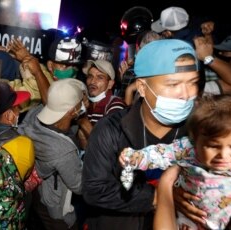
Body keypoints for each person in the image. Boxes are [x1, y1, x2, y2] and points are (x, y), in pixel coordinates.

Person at [82, 39, 200, 230]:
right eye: (173, 84)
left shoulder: (200, 132)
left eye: (192, 83)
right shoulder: (110, 130)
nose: (185, 94)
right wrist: (159, 195)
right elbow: (94, 190)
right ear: (143, 87)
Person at [119, 94, 231, 229]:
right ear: (196, 140)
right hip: (182, 216)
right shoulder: (188, 149)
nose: (223, 155)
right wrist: (135, 157)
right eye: (213, 146)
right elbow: (161, 153)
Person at [18, 78, 86, 229]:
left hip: (38, 194)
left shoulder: (35, 114)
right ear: (72, 111)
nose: (84, 104)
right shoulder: (63, 151)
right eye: (81, 102)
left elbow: (65, 130)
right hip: (56, 211)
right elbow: (80, 186)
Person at [0, 82, 34, 229]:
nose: (19, 113)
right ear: (9, 115)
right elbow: (25, 177)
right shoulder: (23, 144)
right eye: (17, 109)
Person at [77, 59, 125, 150]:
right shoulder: (87, 104)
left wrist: (83, 120)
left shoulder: (115, 105)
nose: (92, 82)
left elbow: (107, 145)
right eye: (90, 76)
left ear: (110, 84)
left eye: (100, 77)